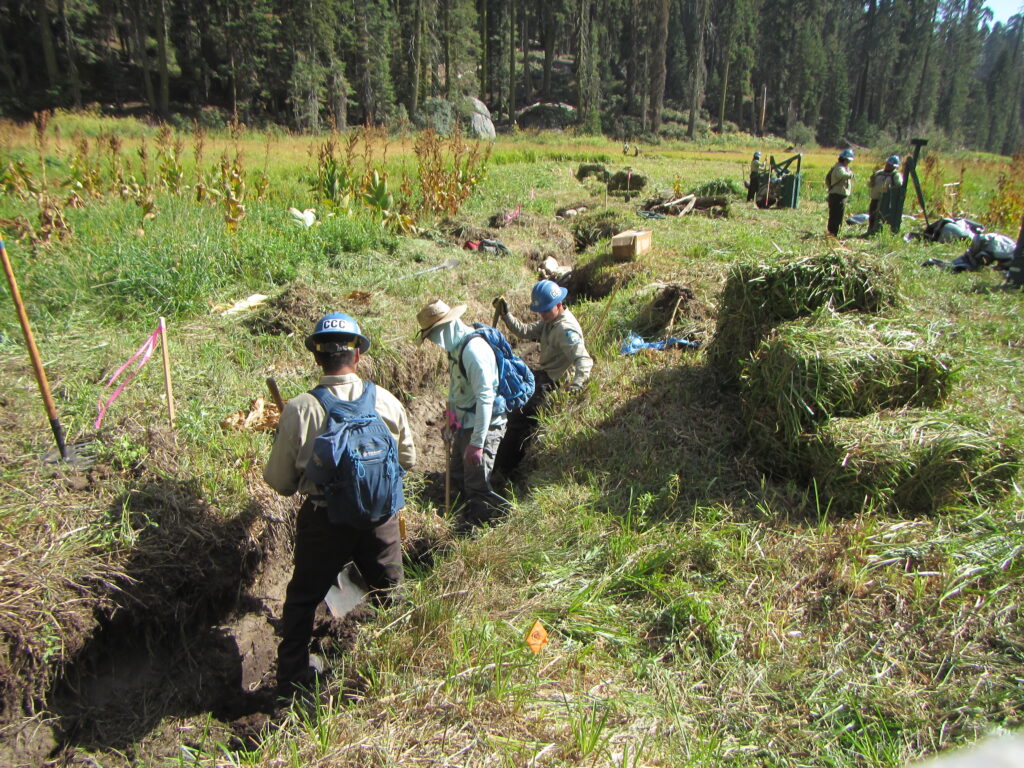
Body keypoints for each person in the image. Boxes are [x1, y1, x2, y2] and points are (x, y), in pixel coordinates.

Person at [264, 312, 416, 698]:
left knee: (302, 600)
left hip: (323, 521)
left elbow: (280, 483)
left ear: (317, 359)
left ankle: (292, 683)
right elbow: (408, 461)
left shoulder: (300, 408)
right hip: (380, 520)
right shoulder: (386, 400)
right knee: (392, 595)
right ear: (358, 356)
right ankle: (398, 671)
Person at [416, 299, 508, 530]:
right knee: (457, 470)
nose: (434, 341)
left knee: (476, 481)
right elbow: (457, 389)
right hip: (465, 420)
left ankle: (484, 524)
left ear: (447, 326)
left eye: (433, 334)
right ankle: (461, 511)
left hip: (484, 424)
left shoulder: (474, 352)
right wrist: (452, 419)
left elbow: (485, 398)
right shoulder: (455, 348)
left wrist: (477, 444)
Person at [491, 280, 593, 477]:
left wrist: (577, 385)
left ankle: (507, 468)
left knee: (518, 416)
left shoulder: (565, 329)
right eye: (540, 311)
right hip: (543, 375)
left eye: (545, 310)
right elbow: (525, 331)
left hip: (553, 383)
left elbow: (584, 360)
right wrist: (506, 315)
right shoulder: (550, 320)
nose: (542, 315)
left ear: (558, 304)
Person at [866, 155, 903, 235]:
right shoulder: (879, 173)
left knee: (883, 217)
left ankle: (881, 232)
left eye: (890, 165)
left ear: (894, 166)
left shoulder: (896, 175)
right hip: (875, 198)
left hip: (886, 201)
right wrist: (871, 181)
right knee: (872, 215)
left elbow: (899, 185)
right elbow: (870, 184)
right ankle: (871, 230)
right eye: (887, 164)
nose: (887, 166)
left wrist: (890, 187)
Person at [825, 148, 855, 237]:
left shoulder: (843, 167)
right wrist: (851, 174)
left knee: (838, 214)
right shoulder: (839, 168)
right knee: (835, 214)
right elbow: (842, 175)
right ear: (844, 159)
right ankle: (832, 232)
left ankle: (835, 232)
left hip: (840, 194)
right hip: (837, 194)